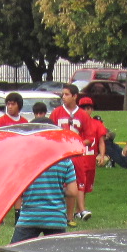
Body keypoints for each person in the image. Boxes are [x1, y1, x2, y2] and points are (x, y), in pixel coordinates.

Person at [10, 155, 77, 242]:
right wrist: (58, 190)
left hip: (30, 216)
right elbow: (72, 191)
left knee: (15, 251)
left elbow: (16, 187)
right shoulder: (65, 160)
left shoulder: (26, 160)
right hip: (56, 217)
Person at [50, 84, 93, 215]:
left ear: (75, 96)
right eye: (63, 94)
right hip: (60, 154)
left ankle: (72, 214)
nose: (64, 97)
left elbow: (90, 137)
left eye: (67, 94)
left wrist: (77, 143)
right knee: (58, 181)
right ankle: (57, 211)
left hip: (76, 154)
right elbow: (50, 134)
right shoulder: (56, 113)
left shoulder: (83, 115)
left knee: (77, 181)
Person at [72, 96, 105, 218]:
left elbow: (101, 141)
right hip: (80, 158)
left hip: (90, 158)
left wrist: (101, 155)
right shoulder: (76, 123)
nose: (87, 111)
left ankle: (78, 210)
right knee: (79, 183)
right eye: (84, 108)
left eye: (89, 108)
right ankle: (82, 209)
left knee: (85, 187)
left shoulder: (96, 124)